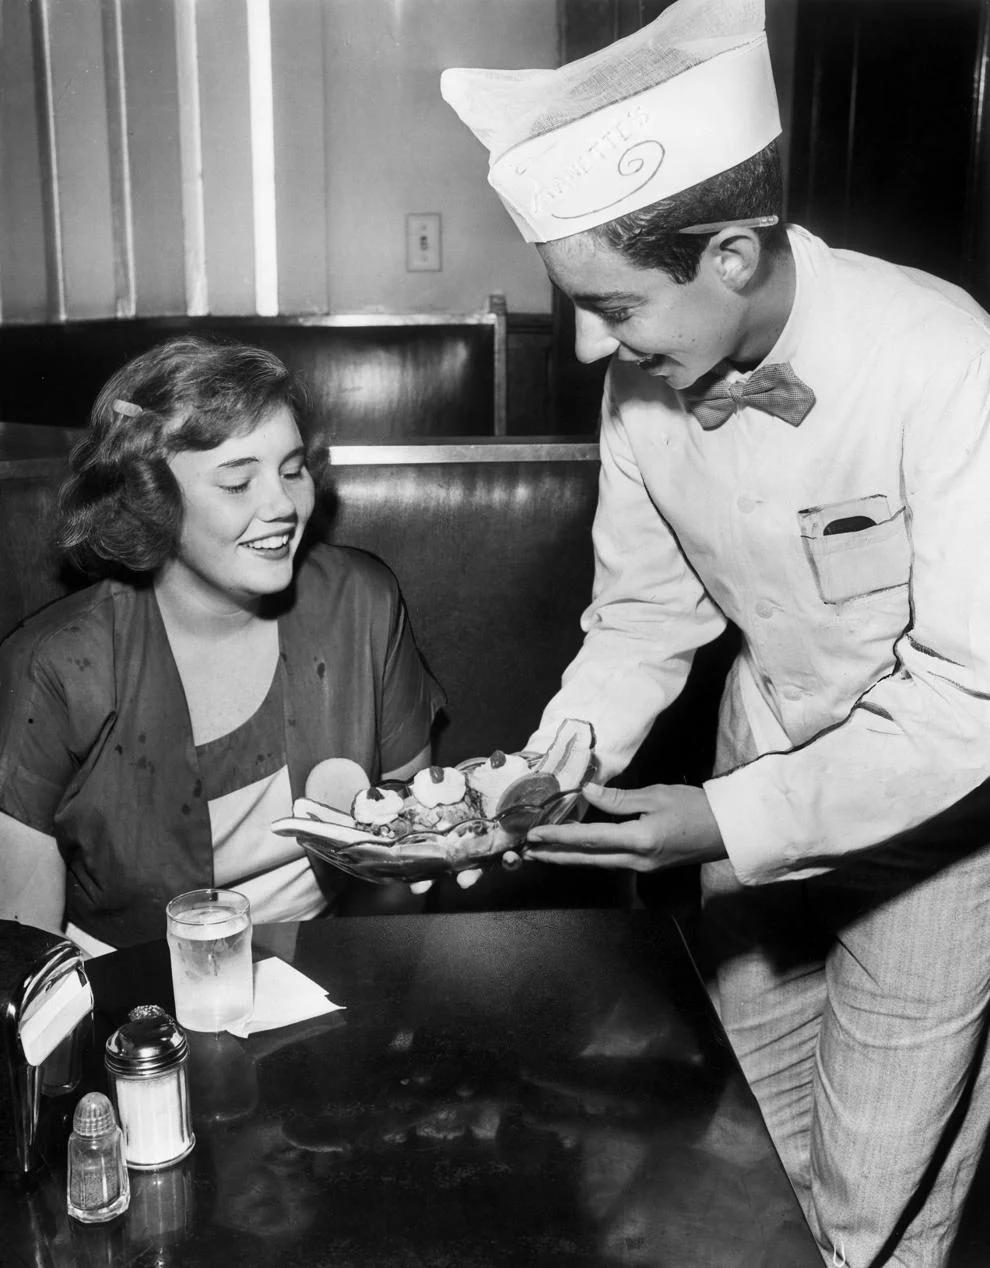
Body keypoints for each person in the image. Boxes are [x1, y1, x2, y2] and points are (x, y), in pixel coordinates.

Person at [442, 1, 990, 1264]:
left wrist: (719, 823)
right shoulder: (645, 391)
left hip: (938, 831)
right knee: (735, 1136)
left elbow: (969, 700)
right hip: (747, 769)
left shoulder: (947, 361)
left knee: (876, 1189)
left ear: (733, 252)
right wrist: (554, 760)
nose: (593, 344)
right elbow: (642, 617)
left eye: (615, 307)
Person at [0, 336, 443, 955]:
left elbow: (406, 848)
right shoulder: (55, 666)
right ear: (149, 501)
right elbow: (26, 951)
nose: (283, 505)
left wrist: (368, 997)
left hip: (331, 965)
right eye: (237, 484)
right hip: (127, 988)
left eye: (292, 471)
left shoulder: (360, 601)